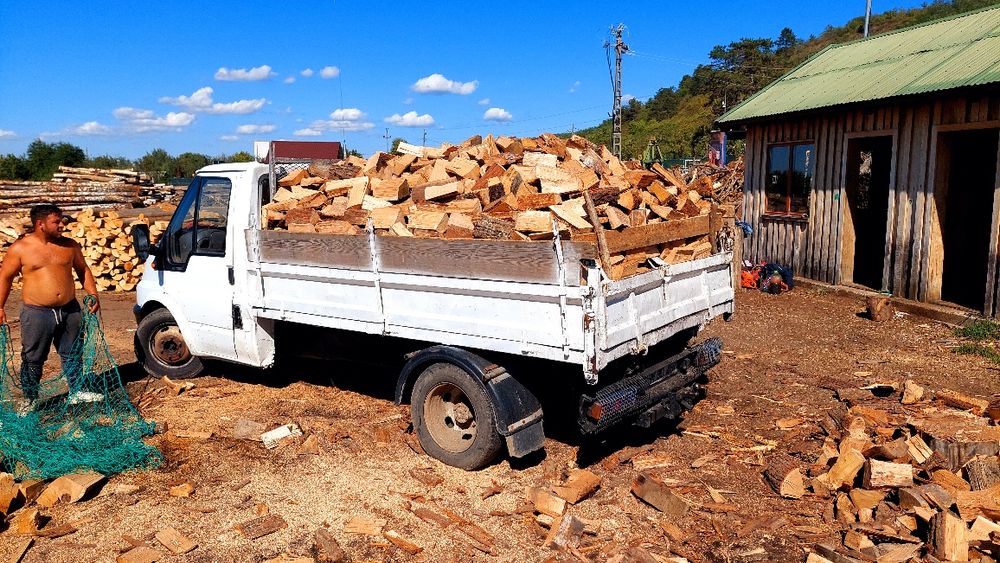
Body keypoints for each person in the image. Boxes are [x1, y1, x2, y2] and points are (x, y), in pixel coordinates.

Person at [0, 204, 102, 408]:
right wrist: (0, 307)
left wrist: (93, 293)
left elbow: (83, 270)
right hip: (37, 312)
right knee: (33, 358)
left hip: (70, 309)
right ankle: (30, 400)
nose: (62, 225)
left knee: (73, 351)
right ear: (40, 224)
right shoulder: (20, 248)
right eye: (56, 222)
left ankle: (76, 390)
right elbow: (5, 278)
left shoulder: (70, 246)